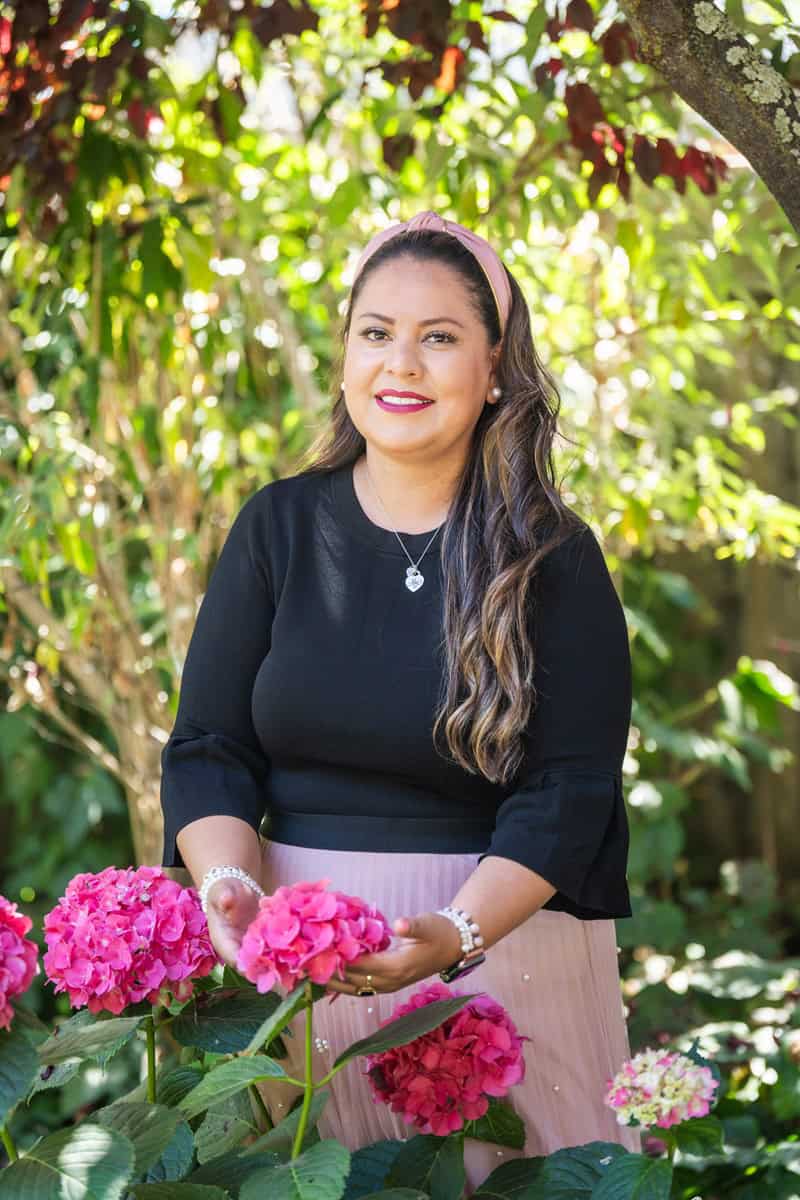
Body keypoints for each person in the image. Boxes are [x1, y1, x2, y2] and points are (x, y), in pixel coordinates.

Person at [159, 210, 641, 1190]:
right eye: (375, 333)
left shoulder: (551, 557)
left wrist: (452, 936)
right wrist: (226, 887)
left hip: (494, 965)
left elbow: (568, 788)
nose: (401, 364)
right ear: (343, 359)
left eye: (438, 337)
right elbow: (208, 744)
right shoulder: (277, 529)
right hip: (302, 975)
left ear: (496, 365)